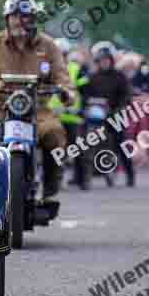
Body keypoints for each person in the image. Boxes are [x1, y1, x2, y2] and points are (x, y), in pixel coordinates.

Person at [0, 0, 74, 203]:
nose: (19, 20)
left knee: (54, 134)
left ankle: (51, 188)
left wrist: (66, 91)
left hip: (37, 108)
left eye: (24, 16)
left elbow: (62, 75)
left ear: (33, 19)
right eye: (14, 16)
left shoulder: (48, 46)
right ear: (7, 19)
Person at [80, 41, 135, 186]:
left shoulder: (120, 77)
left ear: (111, 60)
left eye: (107, 59)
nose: (104, 62)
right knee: (84, 142)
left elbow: (126, 95)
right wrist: (85, 105)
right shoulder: (91, 77)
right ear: (97, 61)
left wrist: (119, 108)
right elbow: (84, 94)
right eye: (101, 60)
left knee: (120, 143)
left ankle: (130, 175)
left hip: (114, 115)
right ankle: (82, 176)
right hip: (95, 115)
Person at [48, 38, 89, 186]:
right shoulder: (47, 69)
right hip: (53, 116)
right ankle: (54, 180)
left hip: (72, 116)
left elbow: (85, 91)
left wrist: (83, 108)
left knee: (76, 148)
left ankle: (82, 179)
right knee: (54, 149)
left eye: (62, 53)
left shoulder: (76, 69)